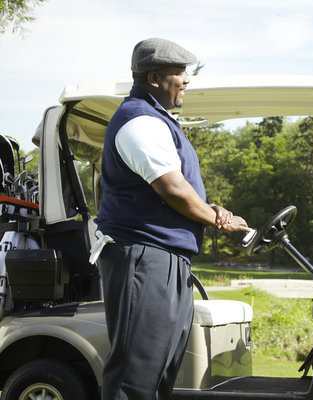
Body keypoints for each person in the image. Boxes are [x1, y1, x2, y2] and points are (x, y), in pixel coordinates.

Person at [94, 38, 250, 400]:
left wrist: (216, 213)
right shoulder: (138, 121)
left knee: (160, 372)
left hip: (163, 259)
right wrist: (218, 220)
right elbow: (173, 190)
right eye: (179, 73)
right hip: (145, 259)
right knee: (136, 376)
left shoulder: (153, 119)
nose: (186, 80)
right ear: (153, 78)